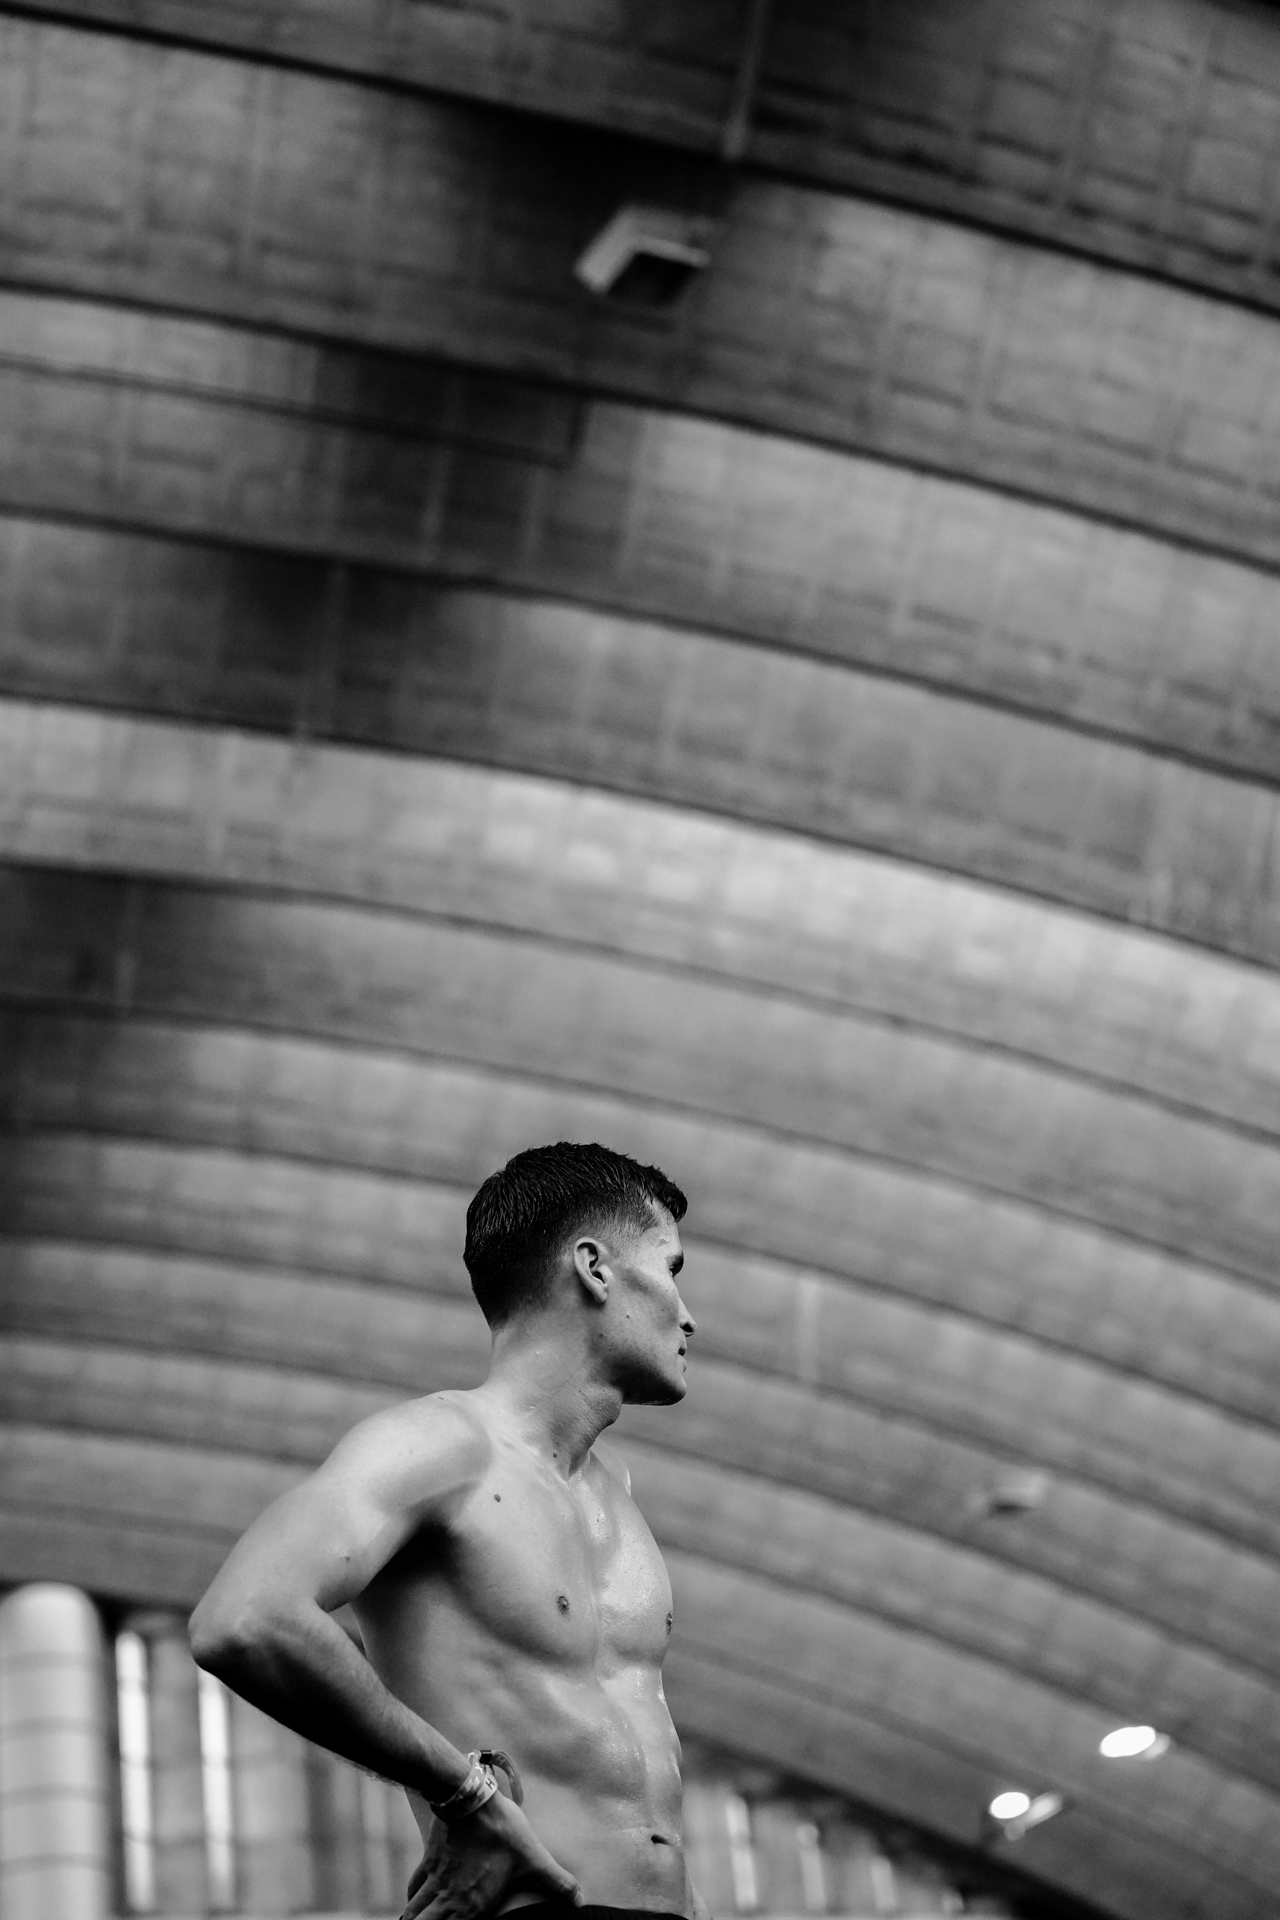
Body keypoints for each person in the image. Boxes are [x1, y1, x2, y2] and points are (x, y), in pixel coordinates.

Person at [189, 1141, 709, 1920]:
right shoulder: (439, 1447)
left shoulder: (617, 1492)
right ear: (594, 1268)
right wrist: (462, 1793)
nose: (689, 1316)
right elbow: (244, 1618)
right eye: (670, 1268)